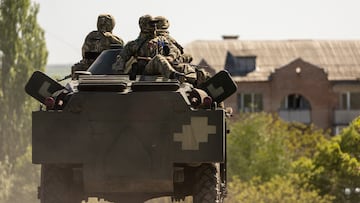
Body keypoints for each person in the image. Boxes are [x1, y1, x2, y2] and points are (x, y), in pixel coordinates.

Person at [113, 15, 185, 81]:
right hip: (145, 70)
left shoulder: (160, 40)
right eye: (151, 24)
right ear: (143, 25)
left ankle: (189, 80)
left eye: (155, 24)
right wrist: (119, 76)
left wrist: (171, 57)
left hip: (161, 68)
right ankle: (173, 75)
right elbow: (121, 60)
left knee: (185, 67)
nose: (154, 26)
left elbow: (173, 49)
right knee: (158, 58)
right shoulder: (134, 44)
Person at [72, 14, 124, 78]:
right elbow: (121, 55)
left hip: (89, 68)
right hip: (108, 69)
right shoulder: (115, 39)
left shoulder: (91, 36)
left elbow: (84, 53)